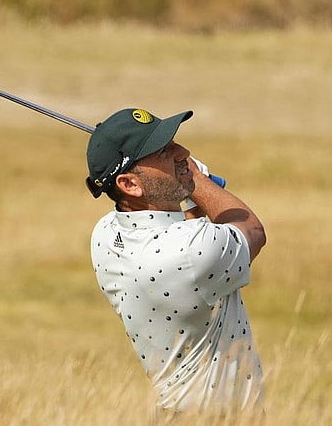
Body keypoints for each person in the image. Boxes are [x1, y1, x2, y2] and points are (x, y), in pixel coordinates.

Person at [84, 108, 267, 417]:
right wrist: (197, 179)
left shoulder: (105, 234)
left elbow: (186, 236)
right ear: (130, 185)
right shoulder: (189, 254)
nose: (183, 152)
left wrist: (186, 186)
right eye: (164, 152)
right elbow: (252, 230)